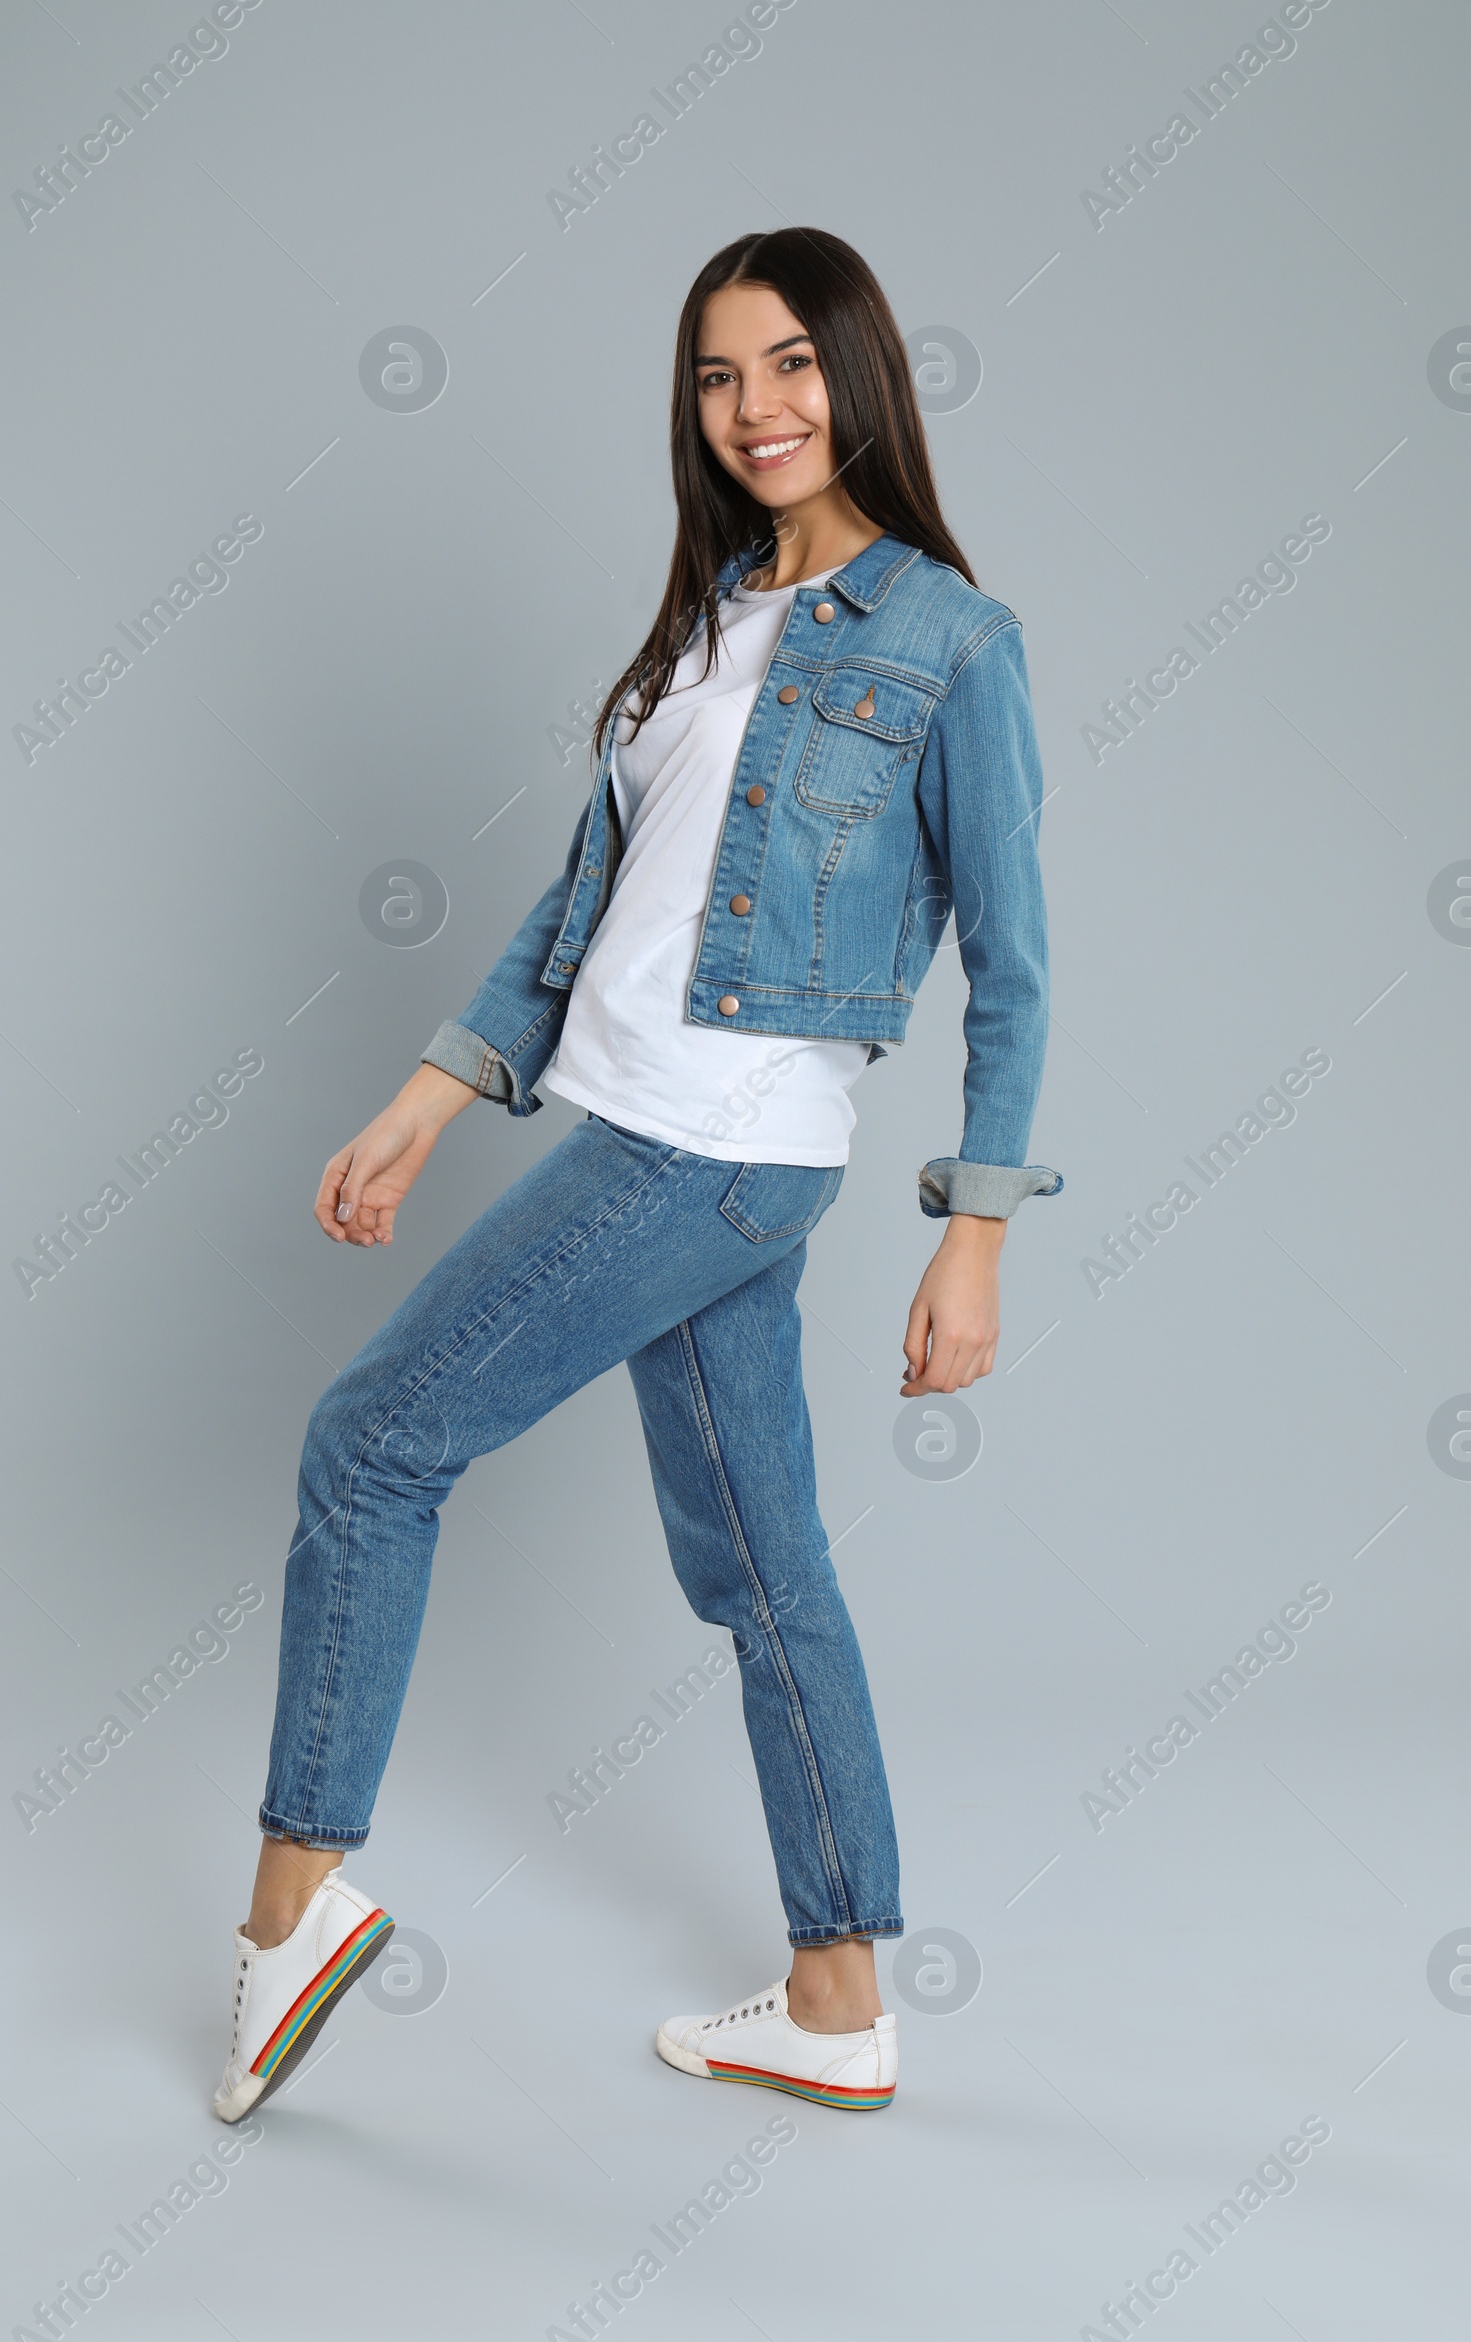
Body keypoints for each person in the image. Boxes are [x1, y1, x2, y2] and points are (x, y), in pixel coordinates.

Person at [212, 227, 1060, 2125]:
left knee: (371, 1446)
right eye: (715, 376)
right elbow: (578, 917)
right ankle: (838, 1996)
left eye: (789, 365)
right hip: (655, 1135)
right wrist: (427, 1101)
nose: (755, 409)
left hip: (717, 1149)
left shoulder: (951, 640)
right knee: (766, 1574)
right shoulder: (702, 624)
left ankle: (290, 1907)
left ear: (859, 373)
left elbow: (1014, 966)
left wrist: (976, 1240)